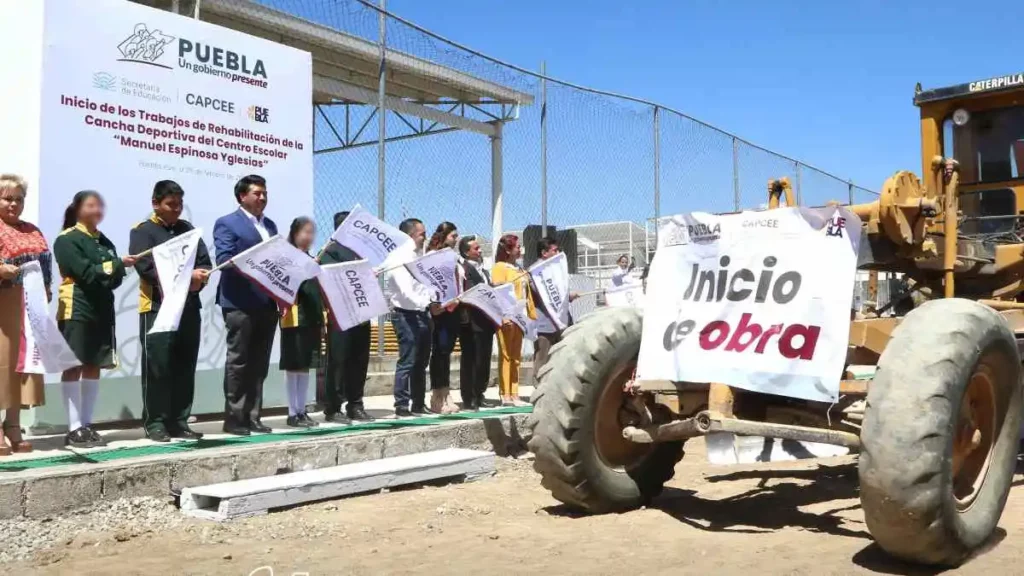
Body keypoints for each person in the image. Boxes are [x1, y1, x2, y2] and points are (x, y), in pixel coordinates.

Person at [128, 180, 212, 443]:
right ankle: (156, 423)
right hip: (157, 307)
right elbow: (146, 268)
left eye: (179, 204)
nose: (176, 209)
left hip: (188, 307)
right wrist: (188, 278)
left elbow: (204, 264)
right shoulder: (143, 231)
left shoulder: (188, 230)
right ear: (156, 203)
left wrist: (202, 277)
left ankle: (179, 420)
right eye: (170, 204)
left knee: (184, 365)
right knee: (158, 366)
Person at [54, 191, 136, 448]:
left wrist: (112, 269)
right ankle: (73, 427)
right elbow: (86, 274)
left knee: (94, 364)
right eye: (90, 205)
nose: (97, 210)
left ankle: (87, 424)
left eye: (99, 205)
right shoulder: (67, 239)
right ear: (77, 209)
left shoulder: (104, 240)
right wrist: (115, 265)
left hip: (102, 306)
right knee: (73, 364)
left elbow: (115, 279)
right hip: (77, 305)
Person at [214, 174, 279, 436]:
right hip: (239, 301)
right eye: (257, 193)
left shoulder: (271, 226)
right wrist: (256, 264)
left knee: (259, 362)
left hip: (267, 302)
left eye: (265, 193)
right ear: (242, 196)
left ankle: (254, 416)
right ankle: (234, 419)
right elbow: (224, 259)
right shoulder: (227, 223)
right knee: (239, 361)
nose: (262, 197)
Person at [0, 175, 51, 455]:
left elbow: (46, 265)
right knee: (1, 364)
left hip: (27, 306)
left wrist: (45, 291)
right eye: (8, 198)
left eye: (19, 199)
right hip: (2, 304)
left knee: (21, 365)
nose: (14, 204)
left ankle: (13, 425)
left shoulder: (32, 230)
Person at [320, 211, 374, 422]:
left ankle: (356, 404)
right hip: (340, 314)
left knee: (359, 359)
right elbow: (325, 277)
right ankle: (333, 408)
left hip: (362, 311)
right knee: (339, 360)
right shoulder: (330, 250)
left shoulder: (362, 251)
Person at [385, 217, 437, 417]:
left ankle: (418, 402)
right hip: (405, 313)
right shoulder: (399, 257)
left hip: (422, 312)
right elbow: (405, 289)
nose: (425, 237)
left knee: (422, 361)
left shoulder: (418, 256)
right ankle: (401, 404)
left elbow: (425, 285)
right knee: (408, 360)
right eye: (422, 233)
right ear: (410, 235)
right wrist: (425, 302)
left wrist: (432, 301)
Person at [279, 217, 322, 429]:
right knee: (293, 365)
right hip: (294, 316)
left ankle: (302, 409)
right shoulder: (287, 257)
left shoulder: (312, 258)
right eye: (305, 232)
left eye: (312, 233)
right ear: (295, 233)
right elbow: (285, 282)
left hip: (312, 317)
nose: (309, 237)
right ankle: (292, 412)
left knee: (306, 365)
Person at [490, 234, 536, 406]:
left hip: (520, 316)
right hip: (507, 316)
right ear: (508, 249)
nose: (520, 249)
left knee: (517, 356)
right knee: (507, 355)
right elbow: (498, 290)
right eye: (517, 246)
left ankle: (515, 393)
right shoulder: (500, 267)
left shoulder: (519, 269)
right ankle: (505, 394)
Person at [456, 235, 495, 411]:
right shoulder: (464, 269)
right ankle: (469, 397)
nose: (479, 251)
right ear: (466, 252)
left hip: (486, 321)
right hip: (471, 322)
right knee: (471, 360)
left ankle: (480, 393)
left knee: (484, 359)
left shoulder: (484, 271)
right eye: (476, 248)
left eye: (479, 248)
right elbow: (469, 293)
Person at [426, 221, 460, 415]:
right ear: (444, 235)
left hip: (453, 308)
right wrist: (433, 304)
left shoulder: (454, 258)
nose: (456, 240)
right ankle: (437, 395)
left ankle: (446, 393)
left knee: (446, 352)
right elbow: (429, 280)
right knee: (438, 352)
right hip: (439, 310)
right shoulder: (432, 256)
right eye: (453, 236)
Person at [532, 237, 578, 374]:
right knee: (542, 358)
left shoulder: (554, 270)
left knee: (561, 357)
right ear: (544, 253)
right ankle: (539, 389)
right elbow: (543, 295)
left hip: (560, 321)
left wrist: (568, 296)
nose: (558, 253)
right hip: (544, 324)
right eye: (555, 250)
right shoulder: (536, 272)